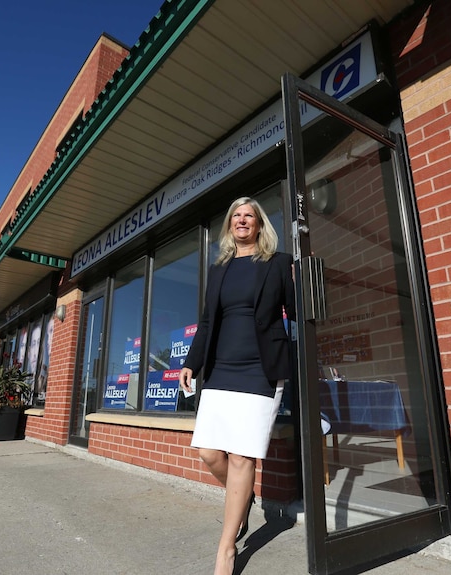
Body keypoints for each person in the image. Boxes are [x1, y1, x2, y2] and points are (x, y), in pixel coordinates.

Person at [179, 196, 295, 575]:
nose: (242, 220)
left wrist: (303, 281)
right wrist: (191, 363)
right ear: (230, 226)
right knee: (210, 453)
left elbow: (296, 310)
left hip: (260, 370)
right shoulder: (221, 268)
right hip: (221, 369)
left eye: (250, 216)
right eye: (236, 216)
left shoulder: (278, 263)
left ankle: (226, 549)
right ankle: (241, 497)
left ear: (260, 225)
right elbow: (208, 322)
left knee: (243, 456)